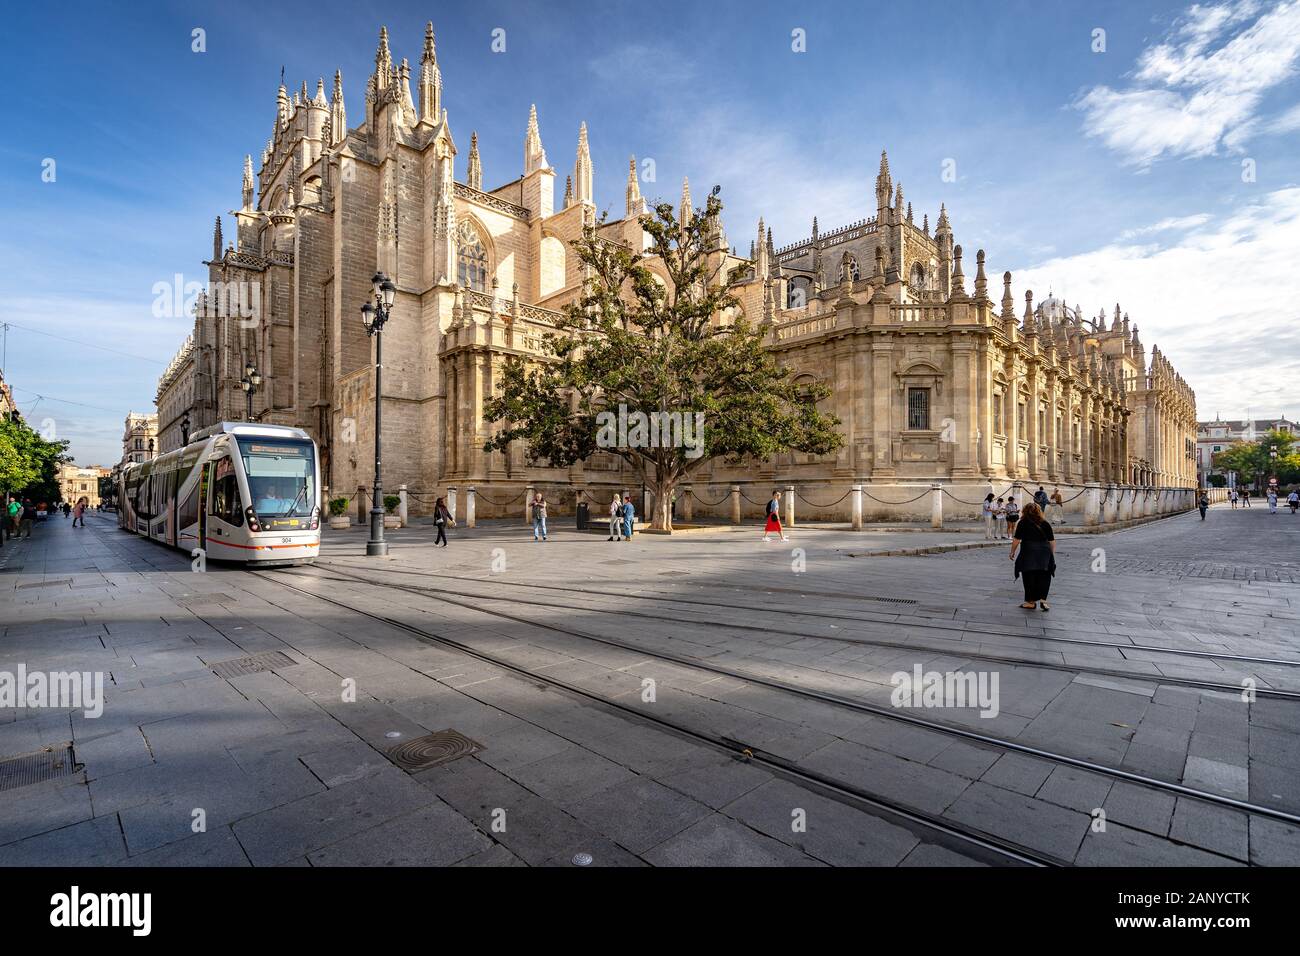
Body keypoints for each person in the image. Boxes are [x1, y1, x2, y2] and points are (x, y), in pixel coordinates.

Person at [1009, 501, 1056, 611]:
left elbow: (1016, 539)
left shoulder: (1022, 523)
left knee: (1029, 576)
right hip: (1044, 552)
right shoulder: (1045, 523)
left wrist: (1012, 552)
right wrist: (1051, 554)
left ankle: (1030, 602)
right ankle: (1043, 600)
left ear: (1025, 511)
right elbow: (1052, 541)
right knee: (1044, 575)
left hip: (1029, 551)